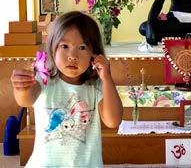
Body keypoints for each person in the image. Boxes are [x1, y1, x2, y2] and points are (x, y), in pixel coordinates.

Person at [11, 11, 123, 168]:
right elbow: (26, 99)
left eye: (82, 47)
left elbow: (113, 121)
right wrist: (21, 87)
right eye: (64, 46)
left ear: (94, 54)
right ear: (52, 49)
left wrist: (107, 78)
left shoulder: (96, 86)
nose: (73, 56)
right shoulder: (44, 80)